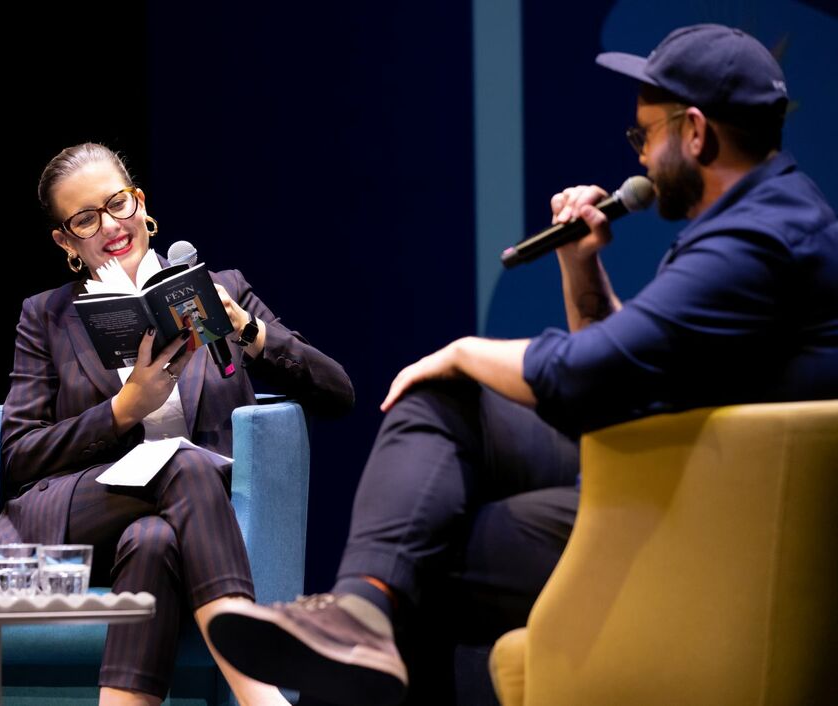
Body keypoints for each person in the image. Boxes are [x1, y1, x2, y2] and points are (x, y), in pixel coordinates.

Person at [205, 23, 838, 706]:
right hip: (680, 463)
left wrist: (465, 350)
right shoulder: (764, 218)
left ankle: (365, 609)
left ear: (695, 133)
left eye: (645, 136)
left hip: (711, 515)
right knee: (443, 408)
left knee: (422, 560)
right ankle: (361, 608)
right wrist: (580, 264)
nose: (643, 160)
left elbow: (586, 374)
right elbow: (628, 375)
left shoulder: (753, 244)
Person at [0, 142, 355, 706]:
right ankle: (260, 691)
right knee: (181, 462)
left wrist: (249, 330)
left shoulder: (218, 289)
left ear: (141, 203)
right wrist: (123, 409)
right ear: (65, 241)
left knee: (153, 541)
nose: (111, 226)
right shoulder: (46, 317)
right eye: (86, 219)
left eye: (118, 204)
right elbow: (20, 453)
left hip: (193, 530)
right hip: (82, 517)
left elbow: (336, 394)